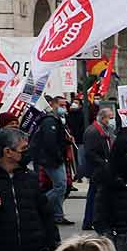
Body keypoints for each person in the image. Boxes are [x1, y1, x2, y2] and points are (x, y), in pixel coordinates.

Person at [31, 95, 74, 225]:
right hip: (51, 159)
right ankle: (38, 205)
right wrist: (58, 157)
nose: (64, 108)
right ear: (53, 105)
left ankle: (58, 215)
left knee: (60, 186)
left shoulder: (56, 119)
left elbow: (57, 139)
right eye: (61, 105)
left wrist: (66, 141)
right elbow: (50, 142)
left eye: (65, 105)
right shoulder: (50, 121)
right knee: (61, 186)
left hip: (53, 158)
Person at [81, 103, 116, 230]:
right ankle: (89, 220)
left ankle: (97, 219)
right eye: (110, 118)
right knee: (94, 195)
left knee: (99, 195)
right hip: (97, 169)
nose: (112, 121)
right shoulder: (93, 131)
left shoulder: (106, 130)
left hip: (102, 168)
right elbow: (90, 153)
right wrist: (104, 163)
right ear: (102, 118)